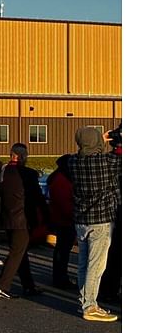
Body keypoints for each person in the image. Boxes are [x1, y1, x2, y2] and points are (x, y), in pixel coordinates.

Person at [68, 127, 121, 322]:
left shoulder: (73, 162)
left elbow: (80, 153)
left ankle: (85, 300)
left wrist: (101, 140)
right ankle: (90, 306)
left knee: (83, 264)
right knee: (96, 267)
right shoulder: (107, 162)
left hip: (81, 220)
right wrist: (109, 140)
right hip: (101, 221)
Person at [0, 143, 42, 299]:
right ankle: (2, 286)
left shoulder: (2, 172)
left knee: (20, 252)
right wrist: (46, 216)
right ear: (23, 156)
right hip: (22, 218)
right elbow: (37, 197)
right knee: (17, 252)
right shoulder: (29, 174)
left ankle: (28, 285)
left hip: (7, 217)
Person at [47, 154, 77, 290]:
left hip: (59, 218)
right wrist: (72, 216)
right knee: (63, 251)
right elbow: (64, 202)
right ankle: (60, 278)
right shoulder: (62, 180)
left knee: (61, 250)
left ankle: (60, 276)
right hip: (65, 219)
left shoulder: (57, 178)